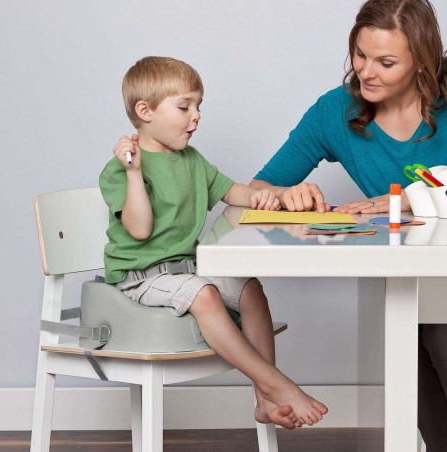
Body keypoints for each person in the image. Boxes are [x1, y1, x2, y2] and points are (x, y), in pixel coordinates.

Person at [250, 0, 447, 449]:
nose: (366, 72)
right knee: (408, 344)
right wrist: (285, 195)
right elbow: (262, 185)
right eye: (360, 55)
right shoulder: (336, 111)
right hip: (410, 282)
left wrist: (413, 200)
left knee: (436, 330)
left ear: (423, 60)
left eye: (386, 62)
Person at [99, 56, 328, 430]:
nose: (197, 116)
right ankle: (277, 384)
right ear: (146, 111)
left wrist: (275, 196)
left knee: (250, 288)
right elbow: (139, 230)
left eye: (198, 106)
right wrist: (134, 172)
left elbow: (234, 192)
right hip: (139, 275)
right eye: (184, 106)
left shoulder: (192, 160)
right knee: (205, 294)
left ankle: (263, 399)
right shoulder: (120, 171)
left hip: (187, 270)